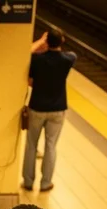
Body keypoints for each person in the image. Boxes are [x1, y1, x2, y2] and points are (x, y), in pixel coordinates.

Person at [23, 29, 76, 192]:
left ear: (47, 41)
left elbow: (26, 58)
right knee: (51, 145)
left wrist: (40, 42)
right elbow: (70, 54)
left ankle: (28, 181)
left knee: (31, 144)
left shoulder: (37, 60)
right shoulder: (69, 59)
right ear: (62, 41)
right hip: (58, 109)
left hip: (37, 107)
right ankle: (46, 183)